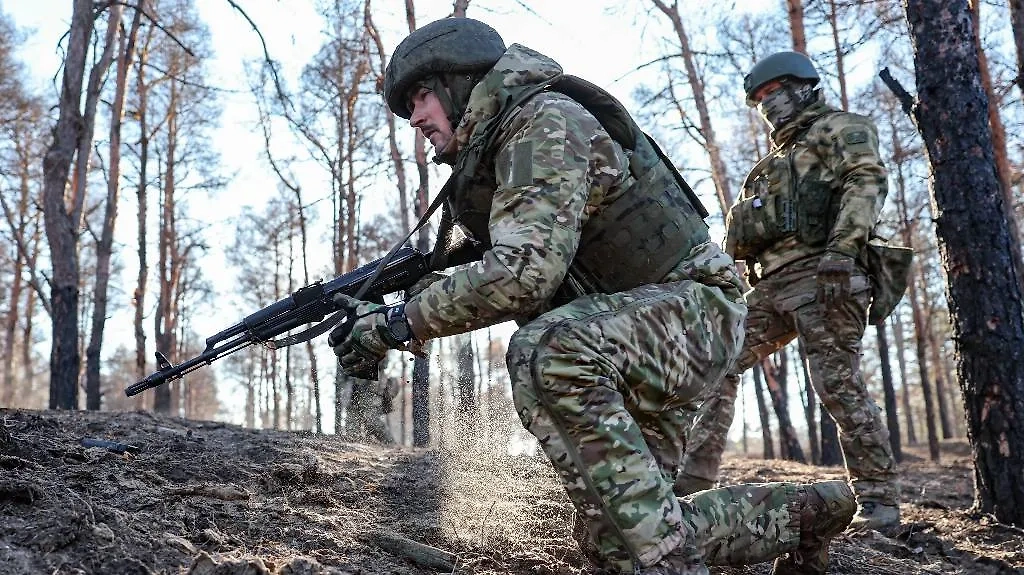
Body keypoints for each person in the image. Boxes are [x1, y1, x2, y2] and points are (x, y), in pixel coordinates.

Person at [329, 19, 855, 574]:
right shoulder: (497, 157)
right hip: (637, 339)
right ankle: (811, 511)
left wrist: (394, 324)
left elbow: (521, 275)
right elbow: (514, 271)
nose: (415, 117)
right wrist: (392, 313)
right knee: (621, 540)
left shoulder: (544, 122)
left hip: (694, 314)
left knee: (545, 351)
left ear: (457, 82)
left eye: (420, 96)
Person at [676, 51, 900, 533]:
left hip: (827, 275)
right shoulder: (767, 168)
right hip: (771, 286)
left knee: (837, 384)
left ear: (803, 87)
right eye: (759, 99)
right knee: (717, 363)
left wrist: (842, 253)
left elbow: (866, 181)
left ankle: (879, 504)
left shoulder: (839, 129)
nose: (767, 105)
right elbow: (738, 241)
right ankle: (689, 483)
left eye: (773, 92)